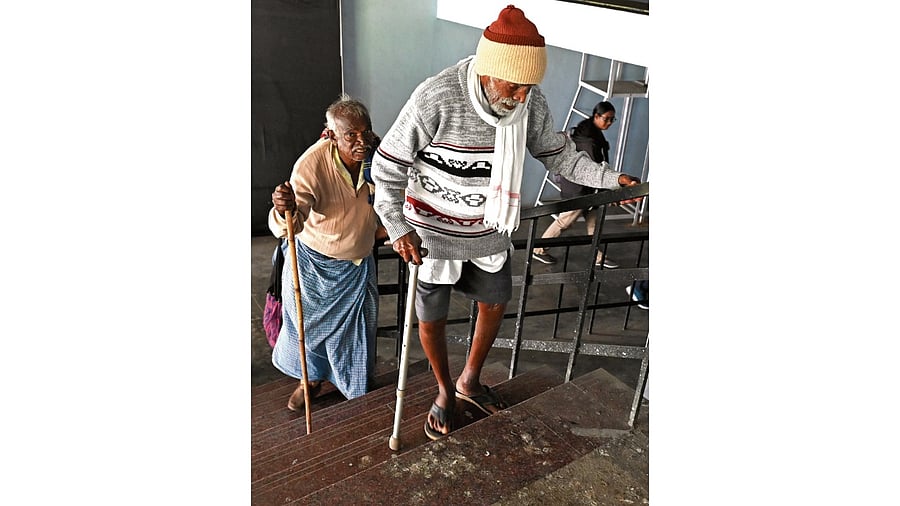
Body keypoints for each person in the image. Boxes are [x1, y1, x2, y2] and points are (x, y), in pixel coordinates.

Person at [370, 5, 641, 440]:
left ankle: (469, 380)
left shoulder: (528, 102)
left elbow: (560, 154)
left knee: (495, 302)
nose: (520, 97)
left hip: (489, 229)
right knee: (430, 316)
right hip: (433, 234)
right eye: (513, 86)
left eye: (528, 88)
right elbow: (386, 169)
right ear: (487, 70)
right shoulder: (436, 97)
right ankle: (443, 391)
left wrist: (610, 178)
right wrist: (398, 227)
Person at [268, 94, 387, 412]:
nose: (360, 141)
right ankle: (309, 380)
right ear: (332, 135)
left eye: (365, 132)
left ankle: (355, 385)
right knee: (307, 330)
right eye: (351, 135)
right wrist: (285, 209)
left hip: (359, 263)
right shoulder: (312, 164)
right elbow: (292, 220)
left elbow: (392, 194)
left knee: (359, 331)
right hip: (315, 265)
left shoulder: (376, 157)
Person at [532, 101, 621, 268]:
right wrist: (609, 189)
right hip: (578, 188)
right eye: (607, 119)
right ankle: (538, 249)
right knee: (565, 221)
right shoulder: (588, 138)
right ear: (596, 116)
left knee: (593, 222)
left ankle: (598, 257)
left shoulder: (590, 129)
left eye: (612, 120)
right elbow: (594, 170)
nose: (609, 123)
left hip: (588, 188)